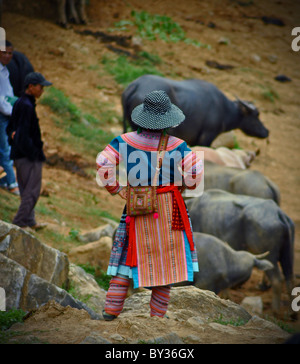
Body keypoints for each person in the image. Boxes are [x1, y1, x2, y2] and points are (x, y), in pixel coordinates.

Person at [97, 90, 204, 320]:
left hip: (137, 205)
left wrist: (116, 188)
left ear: (143, 116)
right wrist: (183, 186)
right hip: (169, 209)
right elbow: (196, 171)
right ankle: (157, 318)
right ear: (167, 119)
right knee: (167, 263)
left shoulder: (124, 141)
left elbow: (103, 163)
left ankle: (110, 311)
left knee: (127, 258)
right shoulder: (178, 145)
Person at [6, 72, 52, 230]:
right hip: (27, 156)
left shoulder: (21, 102)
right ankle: (18, 223)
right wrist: (34, 154)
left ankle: (30, 221)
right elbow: (24, 135)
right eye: (40, 87)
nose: (42, 91)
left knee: (26, 190)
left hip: (19, 154)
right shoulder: (26, 106)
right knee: (32, 192)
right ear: (31, 87)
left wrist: (13, 137)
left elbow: (10, 128)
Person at [0, 40, 19, 195]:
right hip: (3, 115)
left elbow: (8, 95)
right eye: (4, 52)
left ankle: (4, 180)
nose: (7, 56)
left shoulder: (4, 71)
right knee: (5, 149)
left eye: (10, 53)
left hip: (6, 114)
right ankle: (11, 183)